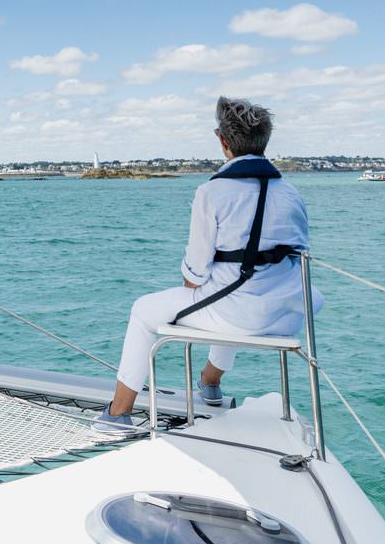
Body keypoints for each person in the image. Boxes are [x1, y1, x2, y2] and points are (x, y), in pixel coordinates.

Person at [94, 97, 320, 431]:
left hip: (237, 314)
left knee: (144, 310)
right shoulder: (291, 193)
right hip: (287, 316)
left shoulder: (212, 193)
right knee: (229, 291)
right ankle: (210, 385)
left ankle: (118, 414)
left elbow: (194, 274)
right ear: (265, 140)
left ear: (222, 140)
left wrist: (201, 276)